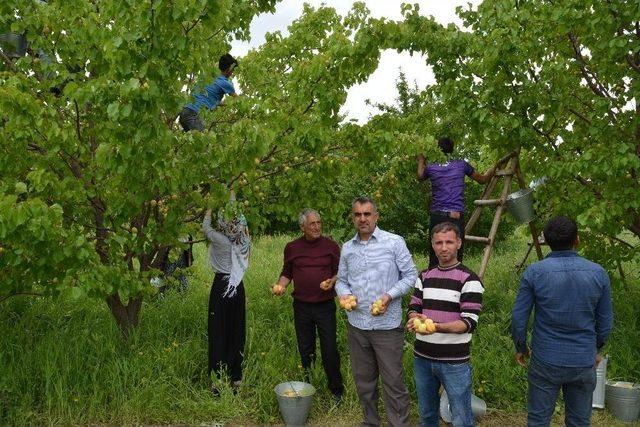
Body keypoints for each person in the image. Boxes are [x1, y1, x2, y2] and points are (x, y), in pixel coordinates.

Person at [511, 216, 613, 427]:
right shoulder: (598, 273)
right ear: (577, 239)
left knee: (538, 420)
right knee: (579, 421)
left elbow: (519, 318)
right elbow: (605, 324)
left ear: (546, 241)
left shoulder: (534, 272)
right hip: (583, 359)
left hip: (546, 359)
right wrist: (594, 349)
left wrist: (521, 347)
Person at [335, 196, 418, 427]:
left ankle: (398, 424)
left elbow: (411, 275)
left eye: (367, 214)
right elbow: (341, 281)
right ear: (353, 218)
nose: (362, 219)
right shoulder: (348, 248)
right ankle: (370, 422)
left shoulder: (394, 242)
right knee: (364, 382)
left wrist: (389, 296)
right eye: (357, 214)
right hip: (357, 325)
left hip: (387, 327)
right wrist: (343, 295)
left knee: (393, 382)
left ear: (376, 216)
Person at [407, 222, 484, 427]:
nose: (444, 247)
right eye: (439, 242)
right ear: (432, 245)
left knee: (461, 418)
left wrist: (435, 326)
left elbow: (468, 323)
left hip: (454, 361)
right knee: (426, 415)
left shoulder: (469, 280)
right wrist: (414, 319)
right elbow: (413, 307)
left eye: (449, 242)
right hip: (422, 359)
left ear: (459, 243)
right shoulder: (424, 276)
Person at [273, 209, 345, 405]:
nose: (317, 227)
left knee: (329, 348)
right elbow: (286, 272)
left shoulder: (331, 246)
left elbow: (340, 272)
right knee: (306, 349)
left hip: (325, 306)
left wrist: (332, 280)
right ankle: (308, 388)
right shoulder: (292, 247)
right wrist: (280, 286)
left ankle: (336, 390)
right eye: (312, 224)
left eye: (319, 223)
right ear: (302, 227)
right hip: (302, 306)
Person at [417, 137, 496, 268]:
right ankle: (454, 286)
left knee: (435, 256)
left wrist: (421, 159)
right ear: (452, 150)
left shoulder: (432, 167)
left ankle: (431, 285)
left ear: (438, 149)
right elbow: (483, 179)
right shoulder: (461, 165)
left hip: (436, 216)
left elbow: (420, 176)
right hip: (455, 216)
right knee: (455, 259)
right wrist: (494, 167)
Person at [202, 206, 251, 394]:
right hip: (237, 285)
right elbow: (235, 212)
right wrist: (233, 197)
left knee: (218, 330)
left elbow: (205, 227)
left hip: (222, 285)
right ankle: (235, 377)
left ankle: (217, 379)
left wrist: (209, 208)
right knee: (237, 330)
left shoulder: (219, 239)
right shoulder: (243, 239)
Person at [179, 53, 238, 132]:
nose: (232, 73)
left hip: (184, 112)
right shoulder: (225, 83)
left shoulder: (207, 76)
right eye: (232, 70)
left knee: (193, 141)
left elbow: (207, 96)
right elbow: (239, 100)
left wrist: (223, 103)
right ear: (229, 70)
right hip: (193, 114)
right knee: (206, 142)